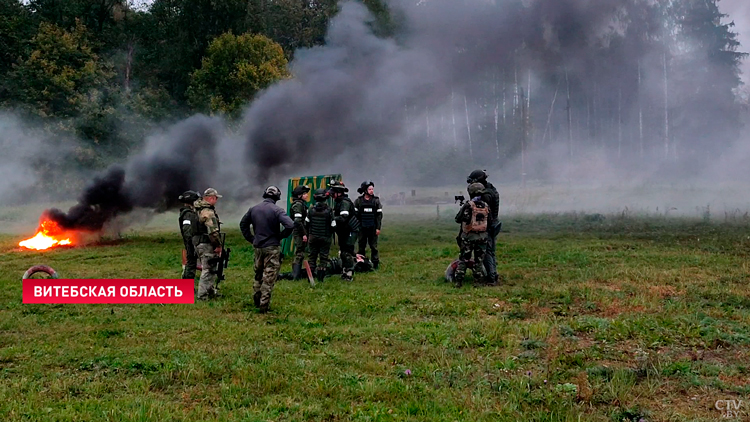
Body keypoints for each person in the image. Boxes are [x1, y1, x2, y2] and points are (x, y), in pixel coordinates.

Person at [239, 185, 294, 313]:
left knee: (258, 274)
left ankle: (256, 301)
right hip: (272, 247)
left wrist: (251, 238)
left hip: (258, 246)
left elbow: (243, 224)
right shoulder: (277, 210)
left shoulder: (253, 209)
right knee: (269, 277)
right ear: (277, 197)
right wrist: (281, 236)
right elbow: (290, 224)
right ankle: (264, 306)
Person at [467, 169, 501, 285]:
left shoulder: (486, 195)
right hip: (493, 224)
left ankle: (491, 278)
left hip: (489, 225)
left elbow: (482, 212)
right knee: (490, 251)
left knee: (487, 252)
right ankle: (492, 274)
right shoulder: (491, 189)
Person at [453, 183, 490, 287]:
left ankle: (459, 281)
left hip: (469, 237)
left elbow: (458, 219)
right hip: (482, 237)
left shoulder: (469, 205)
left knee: (464, 259)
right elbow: (489, 221)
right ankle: (477, 282)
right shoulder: (486, 205)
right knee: (479, 260)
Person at [193, 188, 223, 300]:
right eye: (215, 198)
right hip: (206, 243)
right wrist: (218, 245)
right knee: (208, 269)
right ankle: (202, 295)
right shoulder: (208, 212)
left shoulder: (197, 209)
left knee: (211, 268)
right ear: (211, 198)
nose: (216, 201)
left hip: (198, 242)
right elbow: (213, 232)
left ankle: (209, 291)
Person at [305, 188, 336, 283]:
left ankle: (310, 278)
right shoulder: (329, 211)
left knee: (312, 257)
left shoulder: (311, 210)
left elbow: (307, 223)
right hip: (325, 237)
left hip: (313, 237)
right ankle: (320, 278)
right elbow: (333, 225)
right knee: (323, 258)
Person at [330, 181, 359, 281]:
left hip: (351, 230)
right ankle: (345, 271)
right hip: (344, 230)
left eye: (333, 192)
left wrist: (331, 217)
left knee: (347, 252)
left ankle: (349, 274)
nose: (331, 194)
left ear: (339, 192)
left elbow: (343, 218)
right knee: (343, 251)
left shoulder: (344, 202)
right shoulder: (338, 201)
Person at [354, 180, 383, 270]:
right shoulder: (358, 201)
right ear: (365, 190)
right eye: (370, 189)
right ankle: (361, 263)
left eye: (372, 189)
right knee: (361, 246)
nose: (371, 191)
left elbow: (379, 216)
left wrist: (378, 228)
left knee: (373, 246)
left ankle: (375, 263)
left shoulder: (376, 201)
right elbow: (355, 216)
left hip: (372, 227)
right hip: (362, 228)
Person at [178, 190, 201, 280]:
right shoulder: (187, 214)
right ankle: (186, 286)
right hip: (191, 242)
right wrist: (192, 243)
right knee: (191, 264)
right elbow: (187, 231)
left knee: (191, 263)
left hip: (192, 242)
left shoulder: (189, 213)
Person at [290, 185, 311, 280]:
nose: (306, 195)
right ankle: (295, 275)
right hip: (299, 232)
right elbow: (298, 221)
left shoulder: (301, 204)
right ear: (299, 195)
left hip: (302, 231)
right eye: (304, 194)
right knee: (299, 253)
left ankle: (297, 274)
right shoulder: (298, 205)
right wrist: (303, 234)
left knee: (301, 252)